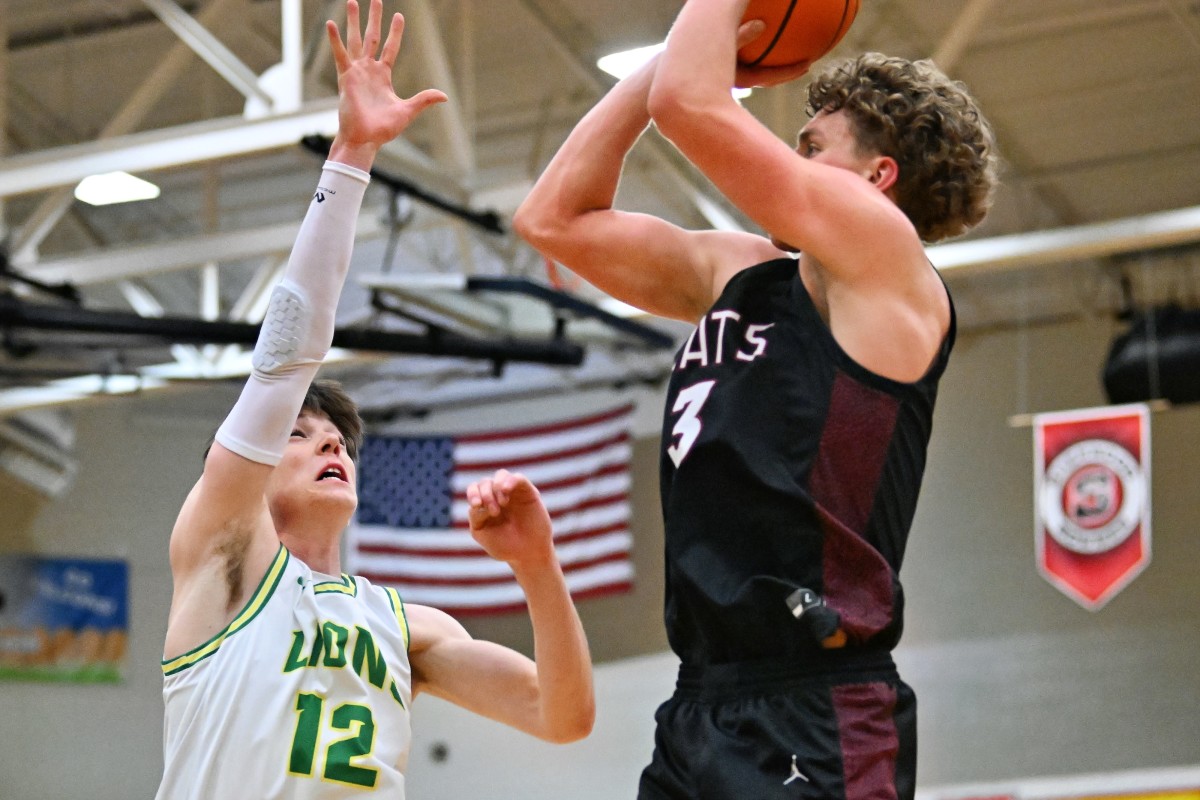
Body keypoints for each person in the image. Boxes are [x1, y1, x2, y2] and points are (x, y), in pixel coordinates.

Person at [513, 0, 998, 797]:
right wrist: (657, 67)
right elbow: (554, 218)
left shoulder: (886, 258)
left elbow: (689, 106)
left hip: (820, 700)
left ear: (879, 179)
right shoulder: (740, 274)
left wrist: (694, 51)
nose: (789, 158)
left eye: (812, 147)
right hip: (700, 703)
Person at [156, 2, 594, 797]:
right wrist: (351, 156)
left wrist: (538, 567)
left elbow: (560, 715)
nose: (331, 445)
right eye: (303, 433)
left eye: (340, 439)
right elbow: (286, 355)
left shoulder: (404, 625)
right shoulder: (222, 557)